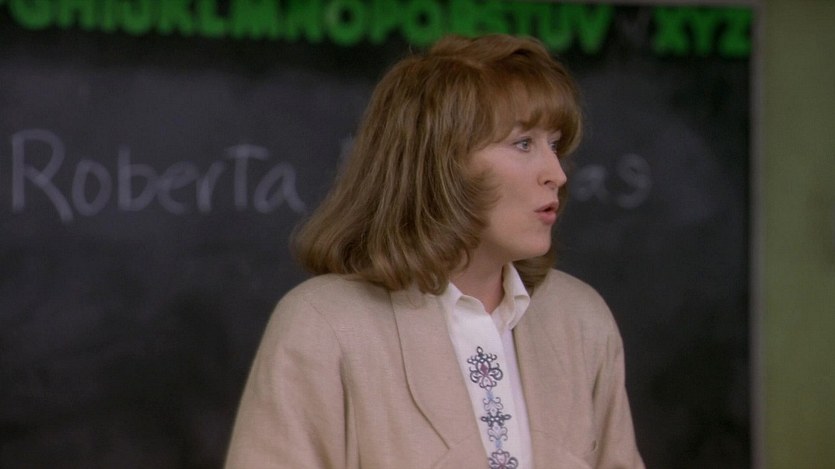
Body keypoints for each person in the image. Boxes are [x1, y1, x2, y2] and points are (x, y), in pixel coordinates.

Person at [225, 34, 644, 469]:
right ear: (441, 162)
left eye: (554, 145)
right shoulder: (322, 325)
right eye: (523, 144)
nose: (556, 173)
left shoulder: (582, 320)